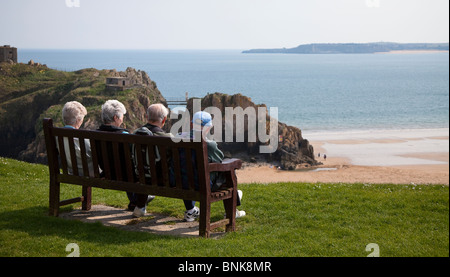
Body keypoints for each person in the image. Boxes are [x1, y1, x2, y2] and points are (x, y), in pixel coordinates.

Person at [182, 111, 245, 222]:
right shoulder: (209, 144)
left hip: (180, 182)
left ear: (192, 124)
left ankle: (190, 211)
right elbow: (219, 161)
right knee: (228, 171)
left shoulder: (179, 139)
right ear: (209, 127)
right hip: (203, 185)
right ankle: (232, 211)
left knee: (187, 171)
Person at [96, 100, 154, 212]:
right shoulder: (124, 135)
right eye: (122, 116)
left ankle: (134, 200)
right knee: (135, 169)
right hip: (126, 175)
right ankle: (137, 201)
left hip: (107, 173)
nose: (123, 119)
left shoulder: (95, 133)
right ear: (115, 118)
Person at [132, 103, 173, 218]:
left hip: (138, 176)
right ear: (164, 119)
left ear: (146, 117)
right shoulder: (167, 138)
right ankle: (191, 210)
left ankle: (140, 207)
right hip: (161, 180)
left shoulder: (135, 134)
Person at [58, 101, 95, 177]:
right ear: (78, 120)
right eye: (82, 119)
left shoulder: (56, 136)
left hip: (70, 171)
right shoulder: (82, 138)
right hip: (88, 173)